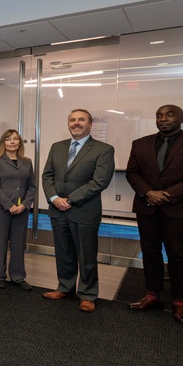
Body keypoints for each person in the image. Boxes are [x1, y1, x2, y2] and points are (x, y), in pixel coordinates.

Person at [125, 104, 183, 324]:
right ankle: (153, 295)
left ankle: (180, 302)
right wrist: (148, 192)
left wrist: (166, 195)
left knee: (177, 254)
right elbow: (132, 173)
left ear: (182, 118)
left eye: (169, 115)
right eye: (159, 115)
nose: (163, 119)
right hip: (146, 205)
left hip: (179, 207)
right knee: (150, 252)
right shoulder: (140, 144)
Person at [41, 108, 115, 313]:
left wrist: (71, 200)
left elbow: (99, 182)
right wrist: (54, 198)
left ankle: (88, 295)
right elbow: (47, 176)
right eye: (72, 120)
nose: (76, 123)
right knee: (63, 253)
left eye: (81, 119)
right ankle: (65, 288)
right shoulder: (57, 147)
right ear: (68, 124)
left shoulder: (103, 149)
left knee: (86, 255)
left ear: (90, 124)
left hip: (84, 211)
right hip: (57, 210)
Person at [0, 129, 36, 290]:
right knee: (0, 244)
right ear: (3, 143)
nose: (12, 142)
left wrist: (24, 204)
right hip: (0, 209)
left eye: (15, 139)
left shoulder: (27, 162)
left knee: (18, 244)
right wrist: (10, 205)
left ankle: (18, 276)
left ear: (20, 143)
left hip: (21, 210)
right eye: (8, 139)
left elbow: (32, 187)